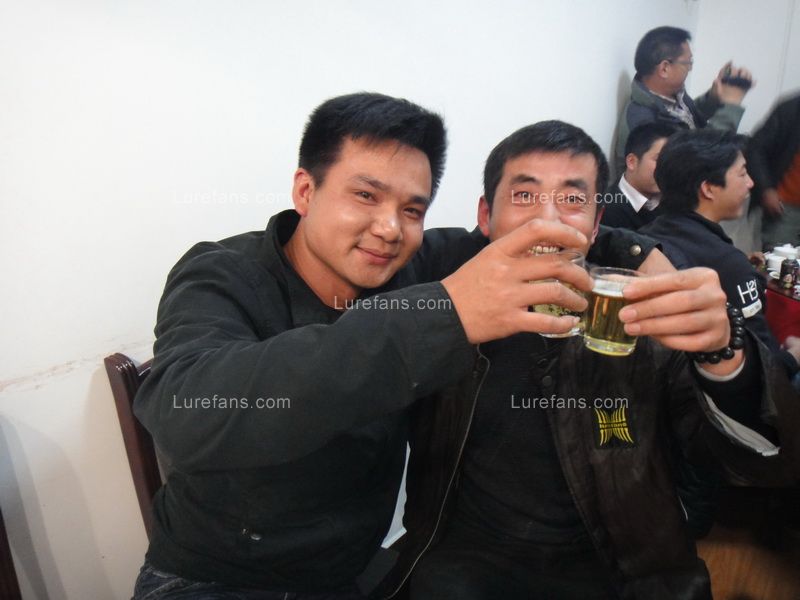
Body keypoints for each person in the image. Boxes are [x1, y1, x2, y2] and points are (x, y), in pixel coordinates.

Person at [130, 93, 667, 599]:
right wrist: (445, 314)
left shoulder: (406, 269)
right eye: (365, 195)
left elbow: (530, 237)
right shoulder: (224, 274)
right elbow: (184, 407)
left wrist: (640, 252)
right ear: (306, 191)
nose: (389, 228)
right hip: (216, 577)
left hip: (351, 576)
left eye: (413, 210)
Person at [372, 121, 800, 600]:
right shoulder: (442, 283)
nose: (547, 219)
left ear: (596, 225)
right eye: (524, 196)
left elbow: (765, 463)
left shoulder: (639, 312)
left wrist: (724, 351)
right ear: (485, 216)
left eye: (573, 200)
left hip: (616, 566)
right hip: (460, 558)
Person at [641, 128, 800, 380]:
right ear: (709, 189)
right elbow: (763, 368)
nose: (751, 183)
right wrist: (793, 356)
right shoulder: (728, 264)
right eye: (742, 173)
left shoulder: (646, 236)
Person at [614, 26, 752, 175]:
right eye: (688, 62)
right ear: (664, 68)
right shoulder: (644, 123)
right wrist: (731, 105)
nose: (690, 68)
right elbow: (699, 161)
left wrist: (712, 99)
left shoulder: (669, 94)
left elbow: (686, 121)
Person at [747, 92, 800, 249]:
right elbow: (756, 149)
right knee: (779, 259)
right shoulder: (792, 109)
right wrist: (766, 189)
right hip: (786, 208)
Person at [601, 123, 674, 230]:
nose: (668, 167)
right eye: (659, 159)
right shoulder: (606, 211)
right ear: (632, 162)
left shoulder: (673, 198)